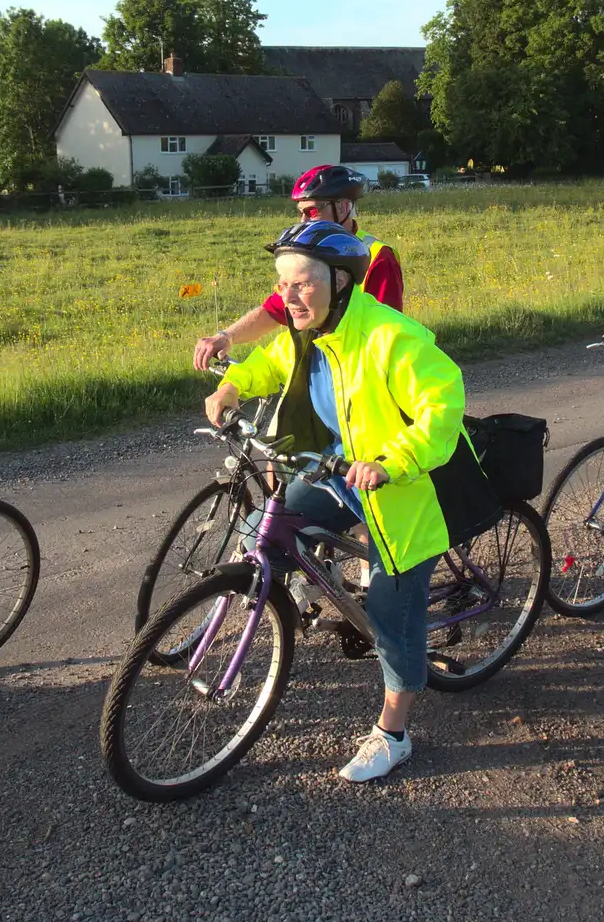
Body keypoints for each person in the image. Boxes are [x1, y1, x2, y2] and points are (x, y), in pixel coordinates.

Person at [204, 220, 495, 782]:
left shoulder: (390, 335)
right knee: (260, 535)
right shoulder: (306, 331)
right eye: (281, 282)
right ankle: (310, 599)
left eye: (301, 283)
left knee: (390, 615)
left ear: (340, 282)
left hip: (404, 488)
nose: (287, 296)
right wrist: (232, 385)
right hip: (337, 472)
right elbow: (272, 363)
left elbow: (442, 402)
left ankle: (394, 733)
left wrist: (391, 463)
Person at [192, 164, 404, 371]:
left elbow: (387, 334)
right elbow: (274, 311)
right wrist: (226, 336)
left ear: (343, 208)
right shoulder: (308, 252)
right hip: (318, 372)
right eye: (300, 212)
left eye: (311, 211)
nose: (303, 220)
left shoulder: (378, 257)